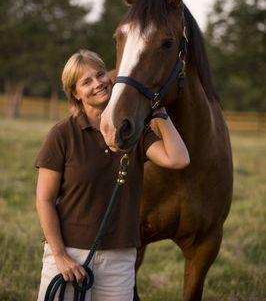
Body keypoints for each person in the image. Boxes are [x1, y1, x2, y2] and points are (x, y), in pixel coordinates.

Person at [35, 49, 190, 301]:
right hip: (68, 255)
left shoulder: (132, 132)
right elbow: (44, 200)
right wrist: (60, 256)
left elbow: (178, 159)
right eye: (86, 82)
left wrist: (159, 112)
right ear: (75, 93)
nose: (97, 83)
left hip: (120, 257)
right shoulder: (62, 135)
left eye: (100, 74)